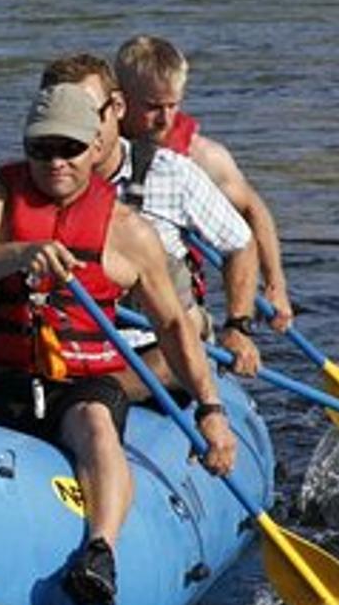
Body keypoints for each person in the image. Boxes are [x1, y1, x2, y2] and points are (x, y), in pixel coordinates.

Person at [0, 83, 237, 605]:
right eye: (41, 149)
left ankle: (100, 550)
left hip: (72, 387)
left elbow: (175, 327)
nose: (56, 162)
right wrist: (19, 254)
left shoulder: (128, 232)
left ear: (94, 147)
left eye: (68, 148)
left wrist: (211, 411)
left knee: (96, 423)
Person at [40, 53, 263, 376]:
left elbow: (240, 244)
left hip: (154, 342)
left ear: (117, 107)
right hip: (69, 342)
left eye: (88, 115)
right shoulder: (35, 180)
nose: (80, 132)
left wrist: (238, 326)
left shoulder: (172, 173)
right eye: (64, 122)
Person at [112, 35, 296, 332]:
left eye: (173, 105)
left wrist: (275, 285)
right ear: (120, 99)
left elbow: (251, 209)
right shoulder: (90, 148)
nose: (165, 120)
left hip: (174, 300)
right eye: (153, 107)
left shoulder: (201, 156)